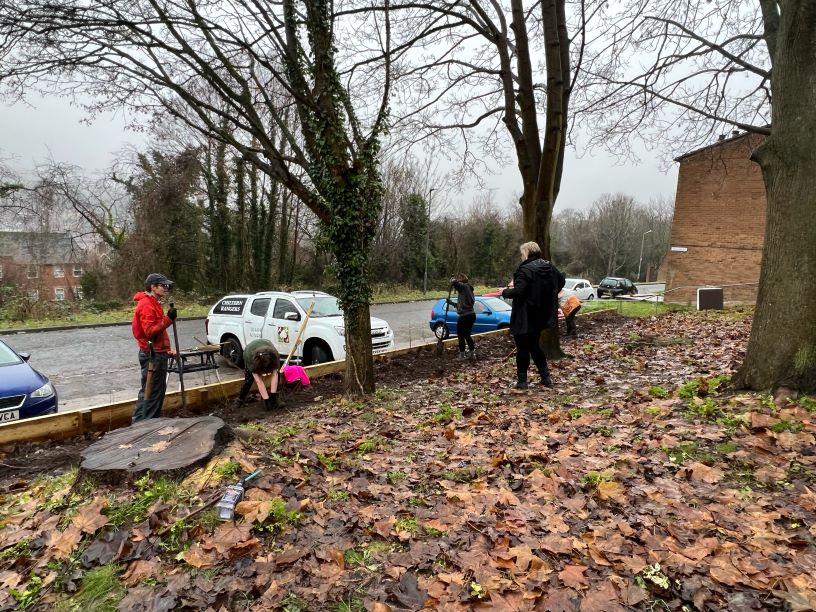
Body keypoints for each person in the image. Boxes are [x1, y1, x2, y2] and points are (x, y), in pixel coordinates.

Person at [502, 242, 565, 389]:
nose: (521, 256)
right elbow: (561, 282)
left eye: (522, 253)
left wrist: (504, 292)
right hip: (541, 315)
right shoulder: (549, 266)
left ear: (527, 253)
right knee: (535, 346)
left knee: (523, 348)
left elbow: (520, 291)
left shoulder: (525, 270)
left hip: (524, 316)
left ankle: (522, 382)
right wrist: (545, 294)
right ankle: (546, 377)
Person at [132, 273, 178, 422]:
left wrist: (166, 349)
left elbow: (160, 332)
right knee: (150, 394)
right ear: (153, 287)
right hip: (153, 356)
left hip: (159, 353)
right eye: (163, 285)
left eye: (167, 285)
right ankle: (139, 427)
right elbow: (150, 332)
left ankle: (151, 425)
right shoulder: (146, 305)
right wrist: (168, 319)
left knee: (157, 393)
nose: (166, 288)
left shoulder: (154, 303)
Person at [237, 338, 281, 410]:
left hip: (267, 346)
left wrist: (272, 396)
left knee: (277, 374)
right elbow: (258, 381)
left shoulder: (274, 356)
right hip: (249, 351)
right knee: (249, 379)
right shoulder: (251, 359)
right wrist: (266, 399)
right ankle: (240, 400)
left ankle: (275, 399)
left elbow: (275, 375)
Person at [449, 273, 476, 360]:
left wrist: (452, 279)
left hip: (465, 316)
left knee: (461, 335)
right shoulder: (469, 290)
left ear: (462, 282)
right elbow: (462, 305)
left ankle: (462, 355)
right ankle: (472, 353)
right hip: (471, 314)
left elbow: (454, 282)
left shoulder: (464, 287)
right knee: (467, 335)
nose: (456, 288)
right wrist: (452, 303)